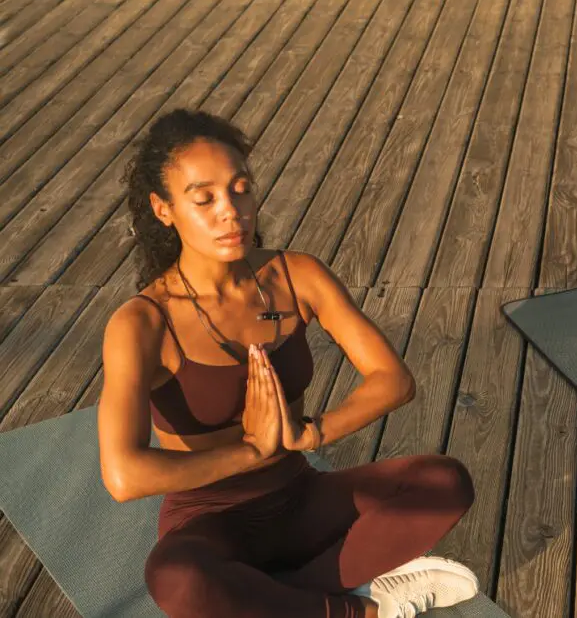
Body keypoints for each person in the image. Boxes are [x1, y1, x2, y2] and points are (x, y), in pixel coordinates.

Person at [97, 109, 479, 617]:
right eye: (204, 198)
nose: (230, 211)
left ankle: (278, 600)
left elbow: (394, 380)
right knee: (178, 580)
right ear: (163, 209)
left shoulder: (295, 274)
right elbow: (124, 475)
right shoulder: (142, 323)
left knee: (443, 482)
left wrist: (311, 435)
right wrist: (253, 450)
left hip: (301, 496)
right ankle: (361, 608)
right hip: (211, 520)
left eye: (241, 189)